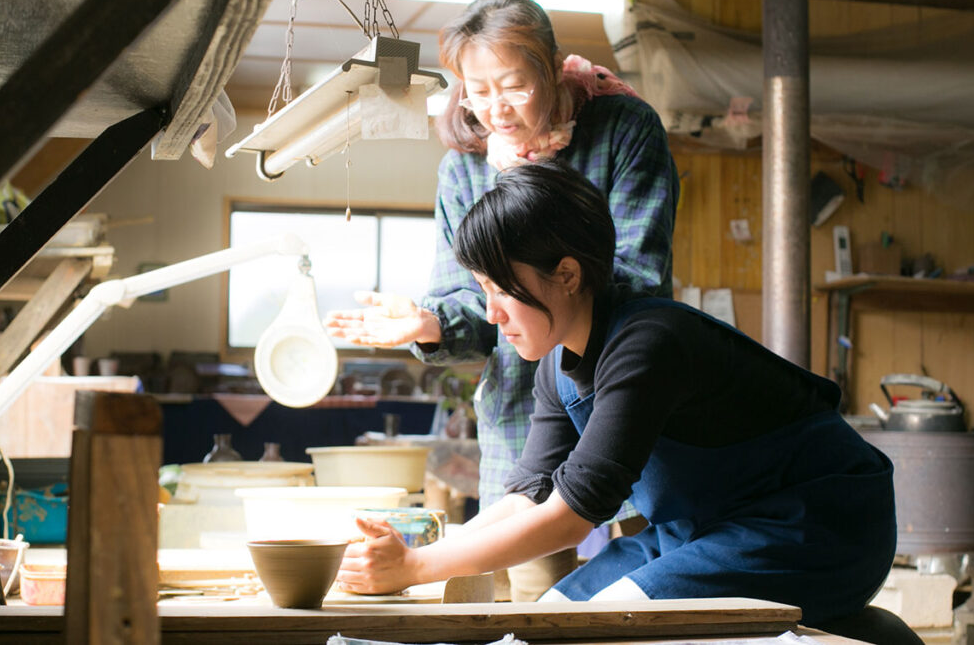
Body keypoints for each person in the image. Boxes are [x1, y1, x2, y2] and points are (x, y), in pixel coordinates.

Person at [334, 160, 896, 624]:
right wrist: (421, 555)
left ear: (568, 275)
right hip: (698, 531)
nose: (490, 313)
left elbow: (571, 517)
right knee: (550, 620)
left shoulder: (649, 342)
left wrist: (412, 569)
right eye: (483, 290)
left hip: (814, 525)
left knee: (607, 629)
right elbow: (528, 497)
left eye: (500, 288)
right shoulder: (556, 362)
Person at [325, 0, 678, 599]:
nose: (496, 110)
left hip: (622, 382)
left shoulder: (622, 127)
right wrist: (428, 323)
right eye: (476, 92)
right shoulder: (464, 166)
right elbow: (476, 305)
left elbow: (637, 274)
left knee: (646, 576)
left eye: (513, 86)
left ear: (550, 64)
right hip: (523, 402)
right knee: (530, 589)